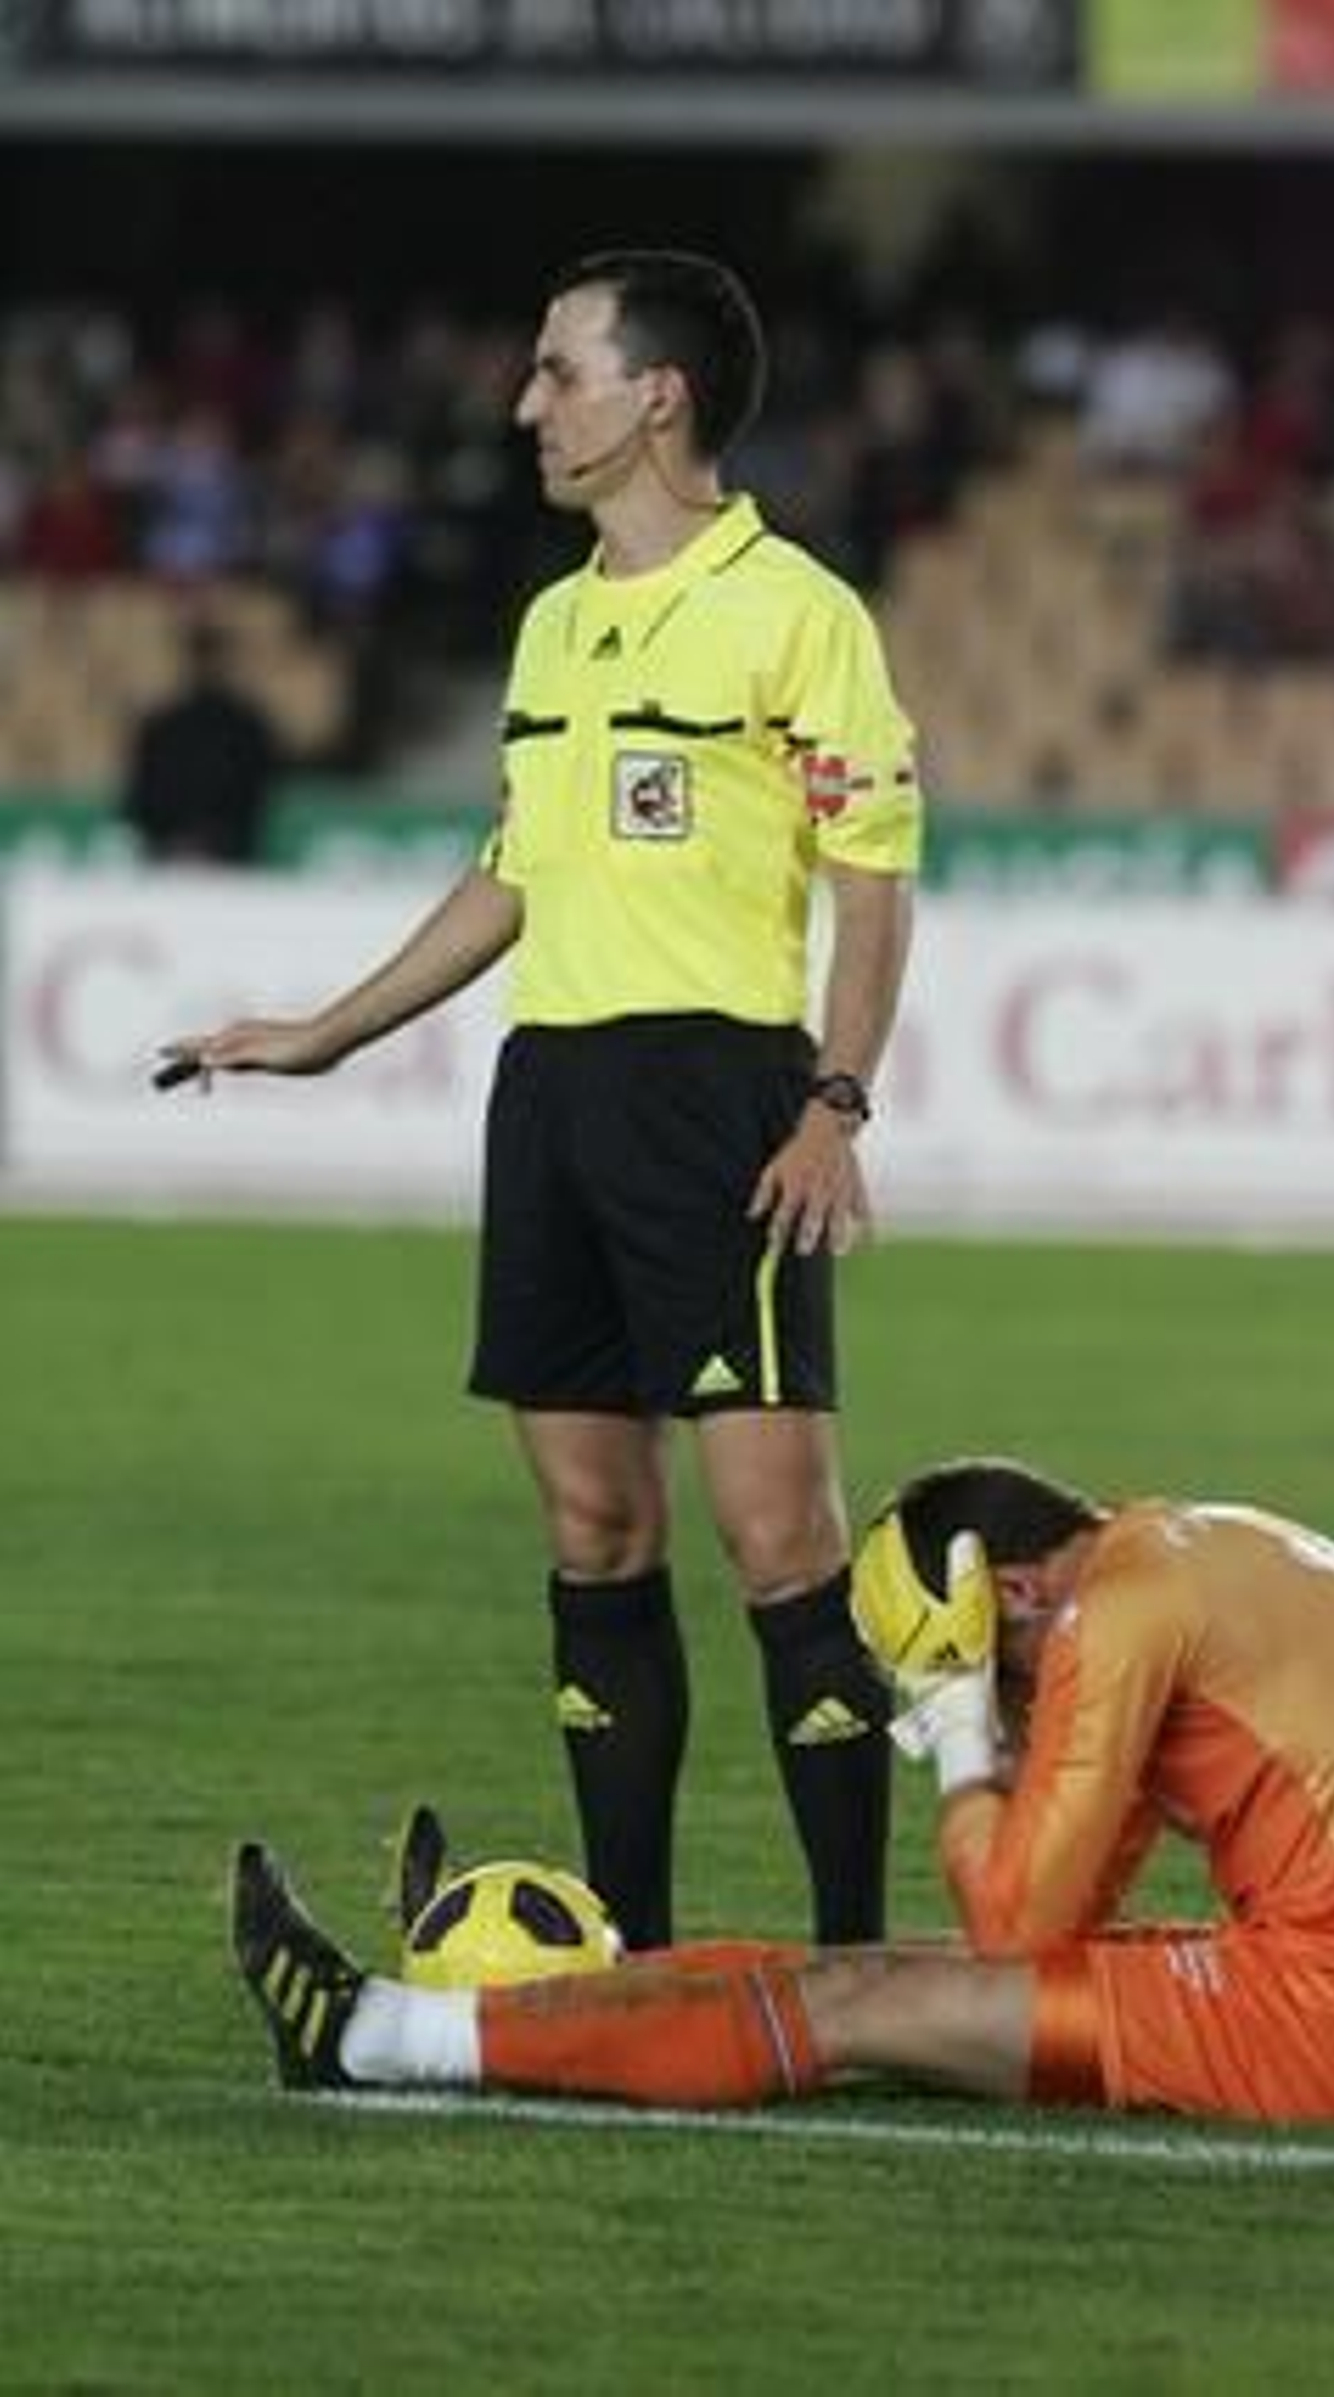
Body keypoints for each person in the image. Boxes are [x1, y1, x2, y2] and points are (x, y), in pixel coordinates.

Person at [162, 251, 922, 1951]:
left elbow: (872, 882)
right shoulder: (555, 619)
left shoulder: (799, 612)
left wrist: (835, 1102)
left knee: (780, 1539)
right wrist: (328, 1030)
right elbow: (513, 867)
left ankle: (858, 1961)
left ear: (658, 394)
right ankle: (634, 1956)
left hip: (722, 1096)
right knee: (594, 1524)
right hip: (553, 1095)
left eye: (556, 370)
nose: (525, 404)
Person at [233, 1457, 1334, 2124]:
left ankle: (374, 2036)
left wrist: (962, 1742)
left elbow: (1016, 1929)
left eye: (972, 1663)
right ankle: (502, 2009)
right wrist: (998, 1747)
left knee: (851, 1999)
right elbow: (1056, 1908)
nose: (999, 1694)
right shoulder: (1183, 1552)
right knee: (871, 1972)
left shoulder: (1120, 1616)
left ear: (1008, 1593)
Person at [122, 620, 280, 865]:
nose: (210, 666)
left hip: (229, 858)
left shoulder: (248, 727)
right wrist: (172, 841)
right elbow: (140, 796)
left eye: (215, 657)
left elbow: (263, 794)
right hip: (169, 857)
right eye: (205, 656)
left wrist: (217, 842)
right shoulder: (161, 726)